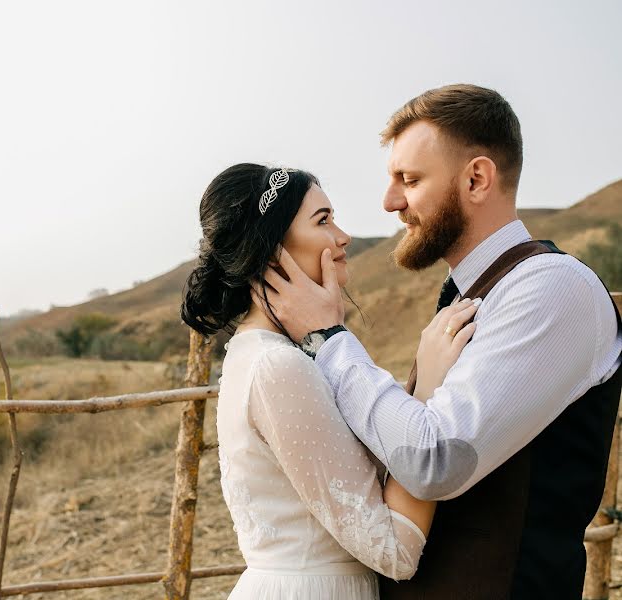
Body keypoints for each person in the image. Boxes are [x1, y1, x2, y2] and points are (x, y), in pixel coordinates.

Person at [253, 84, 622, 599]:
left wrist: (329, 339)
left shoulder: (552, 288)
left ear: (476, 178)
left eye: (410, 179)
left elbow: (435, 461)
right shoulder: (468, 296)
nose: (390, 202)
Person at [181, 163, 479, 599]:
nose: (343, 237)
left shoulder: (268, 353)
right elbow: (394, 550)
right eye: (323, 221)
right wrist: (430, 389)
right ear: (271, 250)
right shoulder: (277, 367)